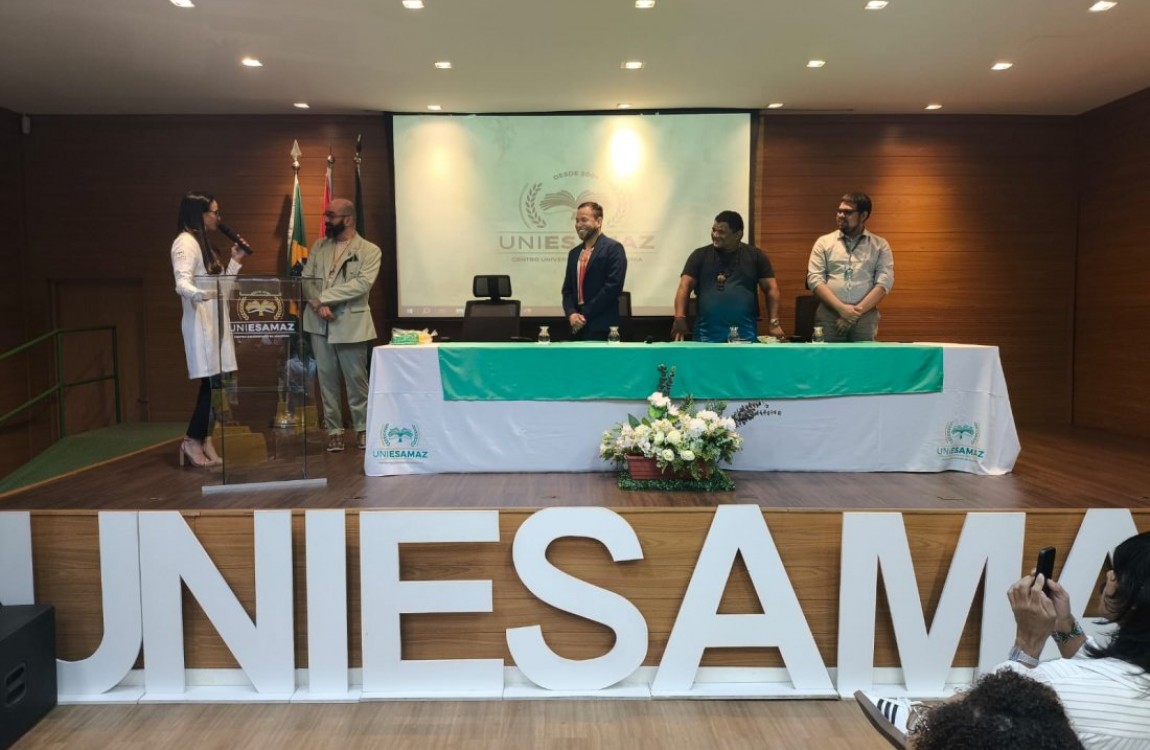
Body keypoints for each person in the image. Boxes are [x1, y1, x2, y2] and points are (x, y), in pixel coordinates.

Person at [1003, 530, 1150, 749]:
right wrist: (1062, 622)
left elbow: (984, 710)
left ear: (1139, 598)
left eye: (1120, 572)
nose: (1110, 575)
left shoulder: (1056, 686)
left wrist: (1027, 641)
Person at [170, 191, 245, 468]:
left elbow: (223, 289)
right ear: (199, 214)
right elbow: (182, 283)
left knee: (219, 384)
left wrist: (235, 260)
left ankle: (204, 438)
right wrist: (202, 295)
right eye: (215, 212)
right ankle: (192, 440)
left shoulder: (205, 245)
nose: (219, 217)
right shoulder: (185, 243)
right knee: (212, 385)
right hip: (202, 323)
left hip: (217, 323)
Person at [301, 198, 382, 453]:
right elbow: (306, 278)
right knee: (326, 380)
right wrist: (318, 305)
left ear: (347, 219)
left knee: (356, 379)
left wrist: (324, 298)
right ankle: (334, 431)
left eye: (331, 216)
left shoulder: (369, 250)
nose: (326, 220)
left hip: (351, 323)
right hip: (319, 322)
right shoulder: (320, 246)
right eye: (326, 215)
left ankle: (363, 429)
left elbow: (362, 284)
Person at [671, 210, 784, 343]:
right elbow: (684, 287)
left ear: (738, 235)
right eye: (714, 230)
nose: (715, 235)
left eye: (721, 232)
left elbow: (771, 289)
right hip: (705, 336)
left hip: (744, 335)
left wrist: (774, 322)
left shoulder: (756, 256)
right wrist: (679, 317)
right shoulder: (699, 255)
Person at [807, 193, 894, 342]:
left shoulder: (880, 245)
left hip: (864, 317)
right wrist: (842, 309)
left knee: (862, 357)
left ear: (863, 216)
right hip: (830, 315)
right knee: (828, 357)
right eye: (839, 211)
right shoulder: (824, 242)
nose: (841, 215)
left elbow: (884, 283)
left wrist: (853, 314)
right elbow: (814, 279)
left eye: (848, 212)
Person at [561, 201, 627, 341]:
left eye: (584, 220)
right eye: (577, 220)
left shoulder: (613, 249)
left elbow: (613, 287)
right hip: (576, 327)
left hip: (602, 327)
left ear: (598, 221)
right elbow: (567, 290)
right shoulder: (574, 253)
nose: (579, 224)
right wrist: (572, 313)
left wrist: (584, 313)